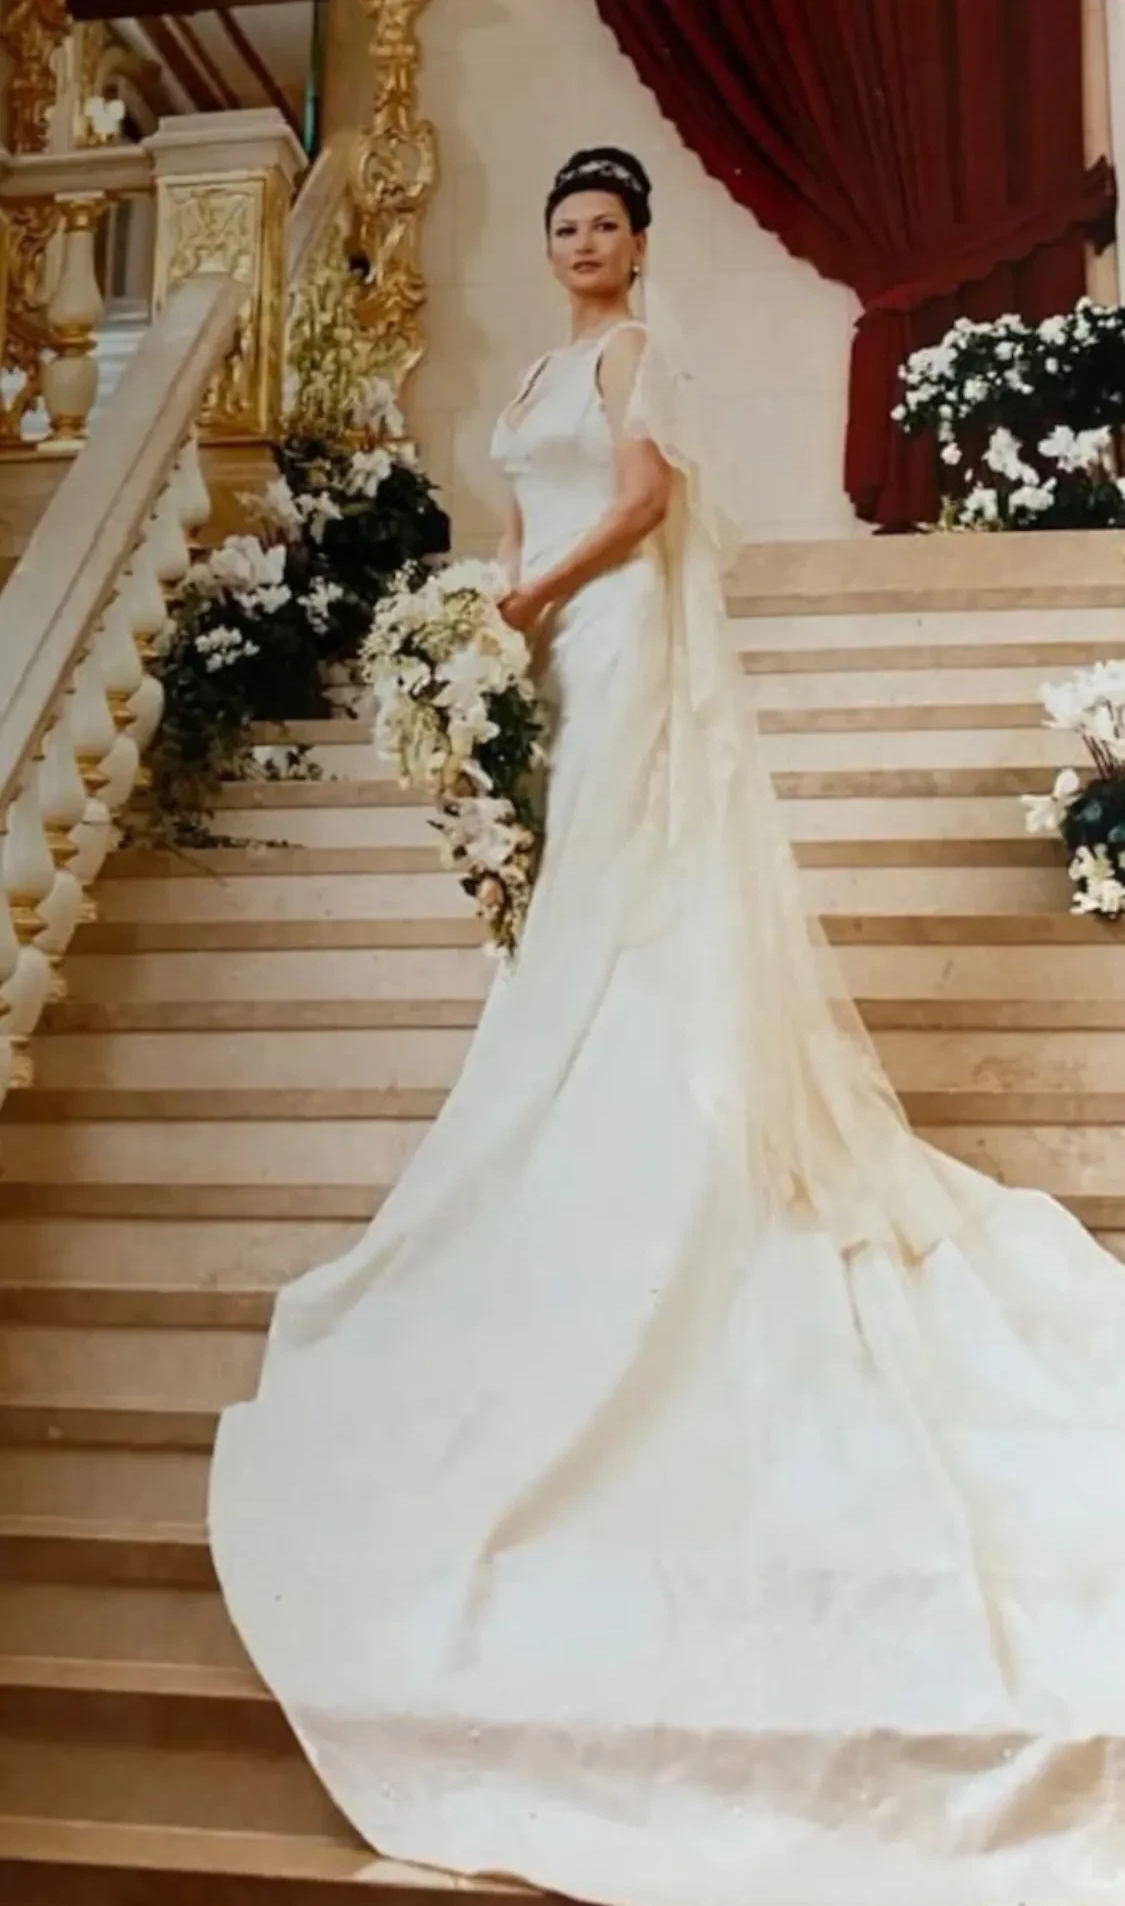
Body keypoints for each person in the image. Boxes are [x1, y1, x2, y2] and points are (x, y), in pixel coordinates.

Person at [210, 148, 1125, 1906]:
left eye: (605, 228)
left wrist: (542, 598)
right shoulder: (538, 371)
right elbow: (517, 517)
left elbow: (637, 505)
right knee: (573, 898)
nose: (583, 248)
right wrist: (483, 627)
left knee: (634, 887)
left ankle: (650, 1121)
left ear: (639, 246)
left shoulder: (636, 357)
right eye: (565, 228)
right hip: (556, 649)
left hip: (620, 638)